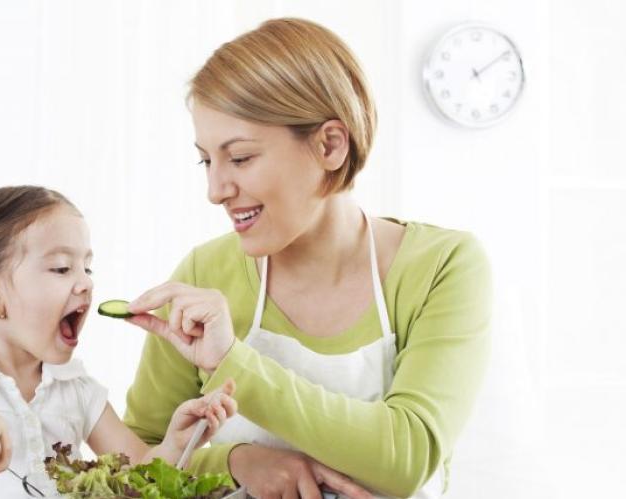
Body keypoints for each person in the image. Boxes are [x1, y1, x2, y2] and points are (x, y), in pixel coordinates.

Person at [122, 18, 492, 499]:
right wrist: (237, 462)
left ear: (329, 145)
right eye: (206, 160)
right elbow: (135, 463)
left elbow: (408, 458)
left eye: (240, 158)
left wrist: (232, 362)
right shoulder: (204, 275)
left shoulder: (441, 267)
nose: (215, 190)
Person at [0, 186, 237, 497]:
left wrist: (176, 441)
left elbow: (139, 476)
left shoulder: (76, 389)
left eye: (87, 268)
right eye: (62, 269)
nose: (85, 283)